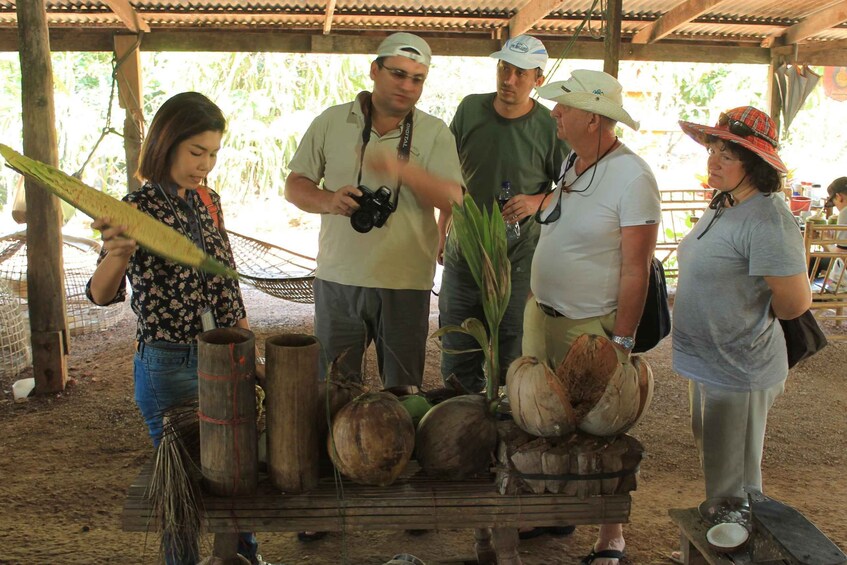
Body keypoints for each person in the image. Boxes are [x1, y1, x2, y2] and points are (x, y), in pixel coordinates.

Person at [86, 92, 266, 565]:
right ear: (166, 143)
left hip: (224, 356)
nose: (204, 164)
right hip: (168, 364)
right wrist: (120, 252)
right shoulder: (135, 207)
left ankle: (245, 555)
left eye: (212, 154)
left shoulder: (209, 201)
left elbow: (226, 287)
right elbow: (100, 294)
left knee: (238, 468)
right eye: (195, 152)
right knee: (181, 490)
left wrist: (250, 352)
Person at [525, 70, 661, 565]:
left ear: (594, 117)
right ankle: (556, 508)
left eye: (564, 106)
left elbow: (635, 269)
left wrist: (621, 344)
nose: (555, 113)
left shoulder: (633, 176)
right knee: (549, 419)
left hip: (592, 325)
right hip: (546, 315)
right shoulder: (574, 161)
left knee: (605, 426)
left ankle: (611, 533)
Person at [285, 33, 464, 393]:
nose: (407, 86)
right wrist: (329, 200)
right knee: (333, 389)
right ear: (374, 70)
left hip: (407, 281)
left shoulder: (433, 132)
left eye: (417, 79)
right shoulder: (332, 121)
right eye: (398, 74)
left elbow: (456, 201)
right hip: (339, 278)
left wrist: (403, 171)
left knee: (404, 392)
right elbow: (295, 185)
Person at [673, 107, 810, 515]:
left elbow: (795, 303)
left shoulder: (767, 218)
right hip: (711, 362)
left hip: (740, 368)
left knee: (736, 490)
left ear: (754, 164)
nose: (713, 161)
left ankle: (739, 547)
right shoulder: (725, 203)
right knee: (718, 464)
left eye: (727, 156)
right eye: (712, 149)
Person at [438, 34, 569, 397]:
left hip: (519, 253)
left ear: (538, 80)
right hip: (465, 246)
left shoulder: (549, 126)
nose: (509, 80)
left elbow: (571, 187)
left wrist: (535, 201)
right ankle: (460, 418)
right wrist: (442, 230)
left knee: (514, 340)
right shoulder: (469, 109)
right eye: (504, 68)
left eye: (521, 73)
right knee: (458, 336)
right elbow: (451, 176)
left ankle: (511, 419)